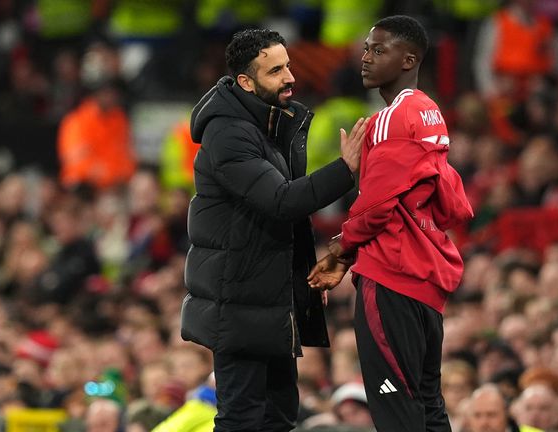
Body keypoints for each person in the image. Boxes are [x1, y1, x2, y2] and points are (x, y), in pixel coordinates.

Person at [180, 28, 366, 432]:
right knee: (242, 421)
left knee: (278, 418)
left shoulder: (264, 124)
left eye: (288, 65)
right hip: (240, 304)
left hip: (269, 304)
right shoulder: (228, 134)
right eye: (276, 70)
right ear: (246, 82)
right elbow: (280, 201)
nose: (289, 77)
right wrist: (344, 169)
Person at [308, 15, 473, 431]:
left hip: (391, 276)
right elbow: (451, 203)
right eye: (366, 48)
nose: (365, 58)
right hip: (425, 277)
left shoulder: (390, 118)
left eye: (379, 50)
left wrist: (339, 248)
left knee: (397, 414)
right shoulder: (430, 111)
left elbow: (376, 206)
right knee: (428, 407)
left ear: (409, 59)